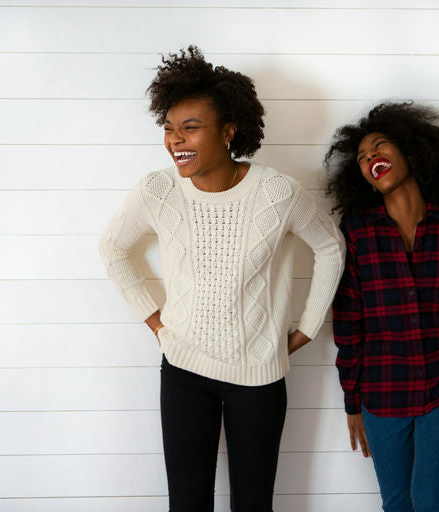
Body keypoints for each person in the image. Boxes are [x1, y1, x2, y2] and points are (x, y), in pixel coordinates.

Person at [99, 46, 345, 512]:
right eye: (169, 128)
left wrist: (308, 327)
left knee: (253, 505)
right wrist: (155, 322)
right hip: (184, 370)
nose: (176, 140)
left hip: (259, 376)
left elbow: (331, 247)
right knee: (187, 504)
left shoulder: (278, 193)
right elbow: (112, 248)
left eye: (190, 127)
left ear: (229, 131)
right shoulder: (158, 189)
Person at [325, 102, 439, 512]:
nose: (370, 158)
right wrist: (353, 402)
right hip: (382, 394)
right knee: (397, 504)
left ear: (410, 151)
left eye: (379, 146)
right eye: (363, 157)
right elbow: (349, 325)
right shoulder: (357, 234)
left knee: (432, 501)